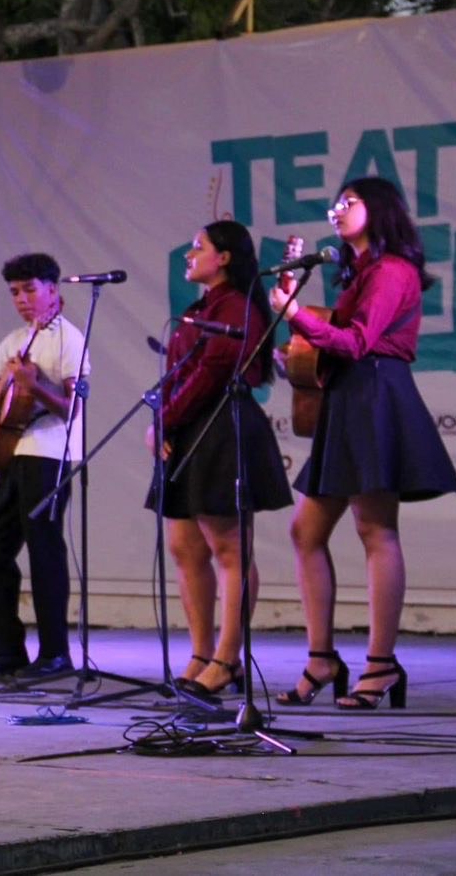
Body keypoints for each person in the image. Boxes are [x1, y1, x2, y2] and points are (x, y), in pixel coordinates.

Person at [269, 178, 456, 710]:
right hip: (350, 397)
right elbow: (340, 344)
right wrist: (300, 355)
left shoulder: (393, 271)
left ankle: (381, 665)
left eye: (348, 202)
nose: (336, 209)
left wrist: (296, 315)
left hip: (376, 394)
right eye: (335, 203)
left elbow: (358, 342)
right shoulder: (360, 274)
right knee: (305, 531)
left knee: (375, 528)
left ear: (378, 210)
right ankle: (322, 659)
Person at [148, 222, 291, 699]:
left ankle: (227, 659)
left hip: (221, 426)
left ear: (224, 257)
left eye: (199, 247)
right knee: (185, 547)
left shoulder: (235, 307)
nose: (190, 255)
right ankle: (201, 653)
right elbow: (181, 371)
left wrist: (167, 419)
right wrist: (165, 421)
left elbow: (212, 373)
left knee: (230, 550)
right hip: (191, 427)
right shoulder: (201, 308)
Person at [0, 253, 86, 680]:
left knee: (44, 549)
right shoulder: (17, 339)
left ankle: (55, 654)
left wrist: (34, 388)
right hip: (16, 451)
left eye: (30, 289)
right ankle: (6, 651)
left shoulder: (69, 339)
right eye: (15, 292)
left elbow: (72, 408)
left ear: (53, 290)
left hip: (52, 454)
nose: (21, 298)